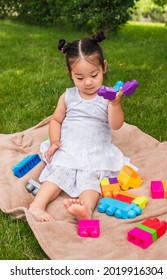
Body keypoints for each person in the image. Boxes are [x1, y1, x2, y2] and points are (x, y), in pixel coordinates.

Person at [29, 31, 131, 222]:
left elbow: (116, 125)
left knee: (90, 180)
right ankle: (37, 206)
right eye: (80, 78)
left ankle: (86, 212)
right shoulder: (68, 96)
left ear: (104, 67)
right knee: (59, 173)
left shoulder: (106, 98)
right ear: (70, 75)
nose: (88, 82)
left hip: (95, 150)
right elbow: (56, 120)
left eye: (94, 74)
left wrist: (116, 104)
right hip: (69, 147)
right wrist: (54, 141)